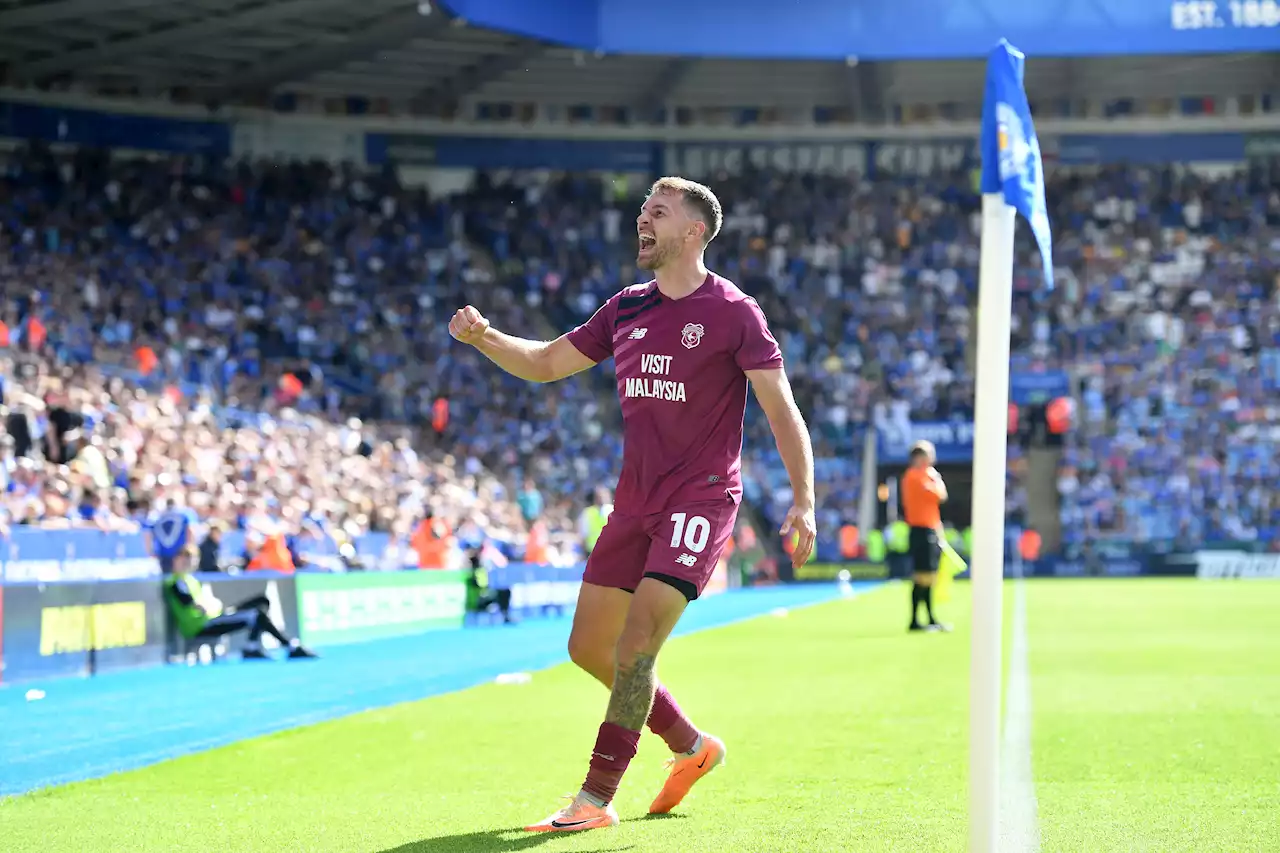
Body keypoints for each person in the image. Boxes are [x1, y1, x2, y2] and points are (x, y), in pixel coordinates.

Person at [449, 175, 817, 833]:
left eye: (659, 211)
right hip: (634, 504)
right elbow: (546, 362)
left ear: (694, 231)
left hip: (699, 501)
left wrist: (805, 498)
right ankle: (691, 745)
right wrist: (485, 339)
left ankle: (593, 799)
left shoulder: (734, 310)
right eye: (642, 210)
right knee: (588, 646)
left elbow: (780, 407)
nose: (642, 220)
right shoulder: (625, 308)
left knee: (636, 644)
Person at [162, 544, 317, 660]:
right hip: (204, 624)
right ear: (176, 559)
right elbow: (197, 607)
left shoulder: (191, 580)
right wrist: (213, 606)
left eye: (192, 557)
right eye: (184, 557)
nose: (188, 561)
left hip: (215, 617)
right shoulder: (177, 581)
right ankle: (288, 645)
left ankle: (252, 645)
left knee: (261, 601)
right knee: (256, 614)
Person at [901, 440, 952, 633]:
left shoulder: (919, 476)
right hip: (921, 530)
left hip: (928, 530)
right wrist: (936, 479)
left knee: (928, 576)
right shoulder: (916, 476)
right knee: (922, 576)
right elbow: (940, 495)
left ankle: (928, 618)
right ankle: (918, 619)